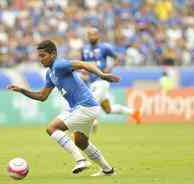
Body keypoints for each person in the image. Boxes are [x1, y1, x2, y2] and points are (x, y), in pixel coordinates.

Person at [7, 40, 118, 176]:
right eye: (39, 56)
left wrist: (102, 75)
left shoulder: (59, 65)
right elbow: (42, 96)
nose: (40, 59)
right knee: (81, 142)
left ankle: (81, 160)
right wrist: (22, 90)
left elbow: (83, 64)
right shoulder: (50, 73)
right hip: (80, 108)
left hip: (85, 106)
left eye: (43, 56)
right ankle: (108, 170)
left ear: (53, 54)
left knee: (52, 128)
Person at [81, 27, 141, 125]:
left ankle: (85, 129)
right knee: (108, 110)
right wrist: (84, 71)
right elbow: (83, 63)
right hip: (92, 82)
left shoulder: (104, 48)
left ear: (98, 36)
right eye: (90, 35)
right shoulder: (85, 49)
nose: (92, 37)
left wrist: (109, 69)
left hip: (102, 81)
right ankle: (134, 113)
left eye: (94, 34)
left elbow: (117, 58)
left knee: (89, 104)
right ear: (87, 36)